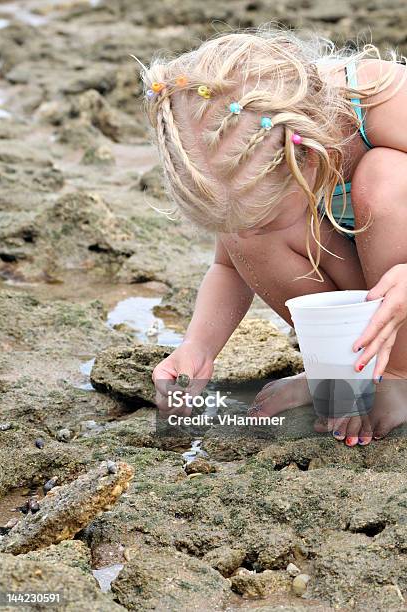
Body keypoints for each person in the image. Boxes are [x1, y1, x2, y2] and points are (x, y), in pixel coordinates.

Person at [134, 25, 407, 447]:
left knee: (384, 179)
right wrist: (199, 347)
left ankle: (395, 376)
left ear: (308, 157)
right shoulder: (246, 148)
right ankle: (340, 373)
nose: (249, 233)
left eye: (266, 216)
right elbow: (228, 267)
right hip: (376, 297)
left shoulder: (380, 102)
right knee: (248, 241)